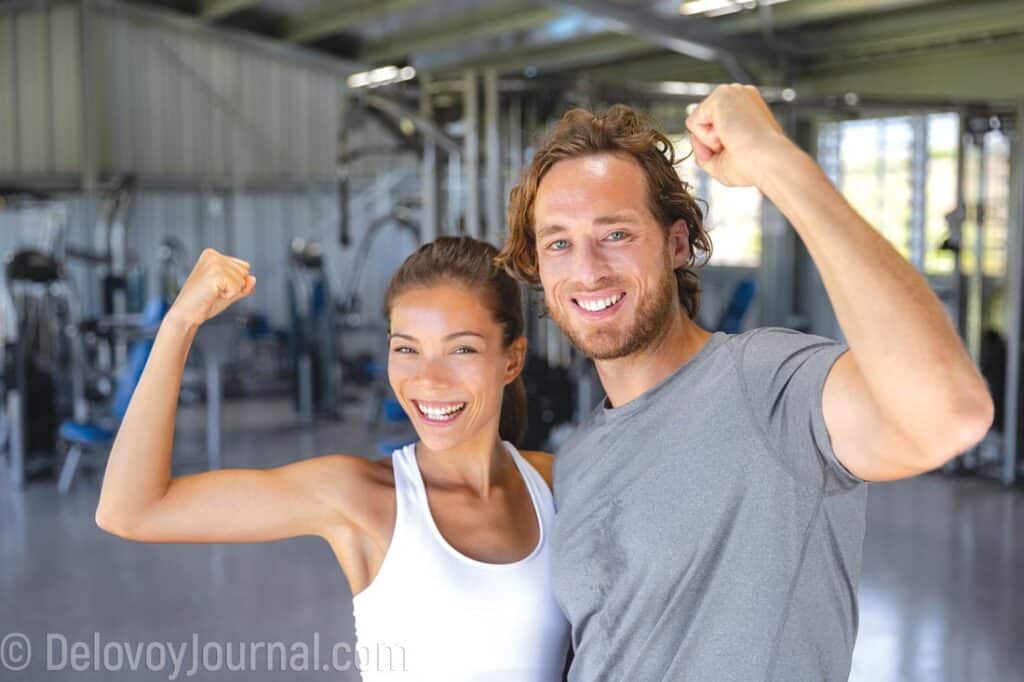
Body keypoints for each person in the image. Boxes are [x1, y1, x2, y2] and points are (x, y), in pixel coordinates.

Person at [496, 85, 994, 680]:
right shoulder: (575, 460)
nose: (587, 269)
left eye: (617, 234)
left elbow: (949, 413)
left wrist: (776, 161)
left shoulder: (768, 388)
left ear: (677, 243)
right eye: (559, 243)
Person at [95, 236, 570, 681]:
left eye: (461, 349)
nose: (429, 379)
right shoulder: (360, 498)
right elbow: (131, 509)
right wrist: (181, 322)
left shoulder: (553, 485)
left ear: (512, 359)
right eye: (406, 349)